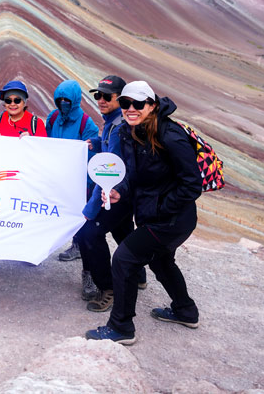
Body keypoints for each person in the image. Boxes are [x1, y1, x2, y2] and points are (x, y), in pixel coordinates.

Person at [85, 81, 202, 345]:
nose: (131, 109)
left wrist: (161, 208)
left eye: (138, 104)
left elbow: (192, 183)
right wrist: (119, 192)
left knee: (125, 259)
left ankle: (121, 327)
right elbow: (131, 176)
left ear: (152, 105)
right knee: (161, 262)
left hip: (172, 219)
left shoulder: (170, 135)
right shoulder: (130, 133)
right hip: (157, 216)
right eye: (126, 104)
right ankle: (186, 311)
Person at [78, 76, 146, 313]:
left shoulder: (118, 127)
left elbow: (108, 174)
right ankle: (138, 275)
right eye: (98, 95)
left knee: (89, 234)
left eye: (107, 96)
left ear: (121, 98)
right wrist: (95, 143)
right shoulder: (114, 122)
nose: (101, 100)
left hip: (117, 194)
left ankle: (109, 288)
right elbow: (110, 149)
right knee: (122, 229)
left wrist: (89, 211)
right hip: (128, 193)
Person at [46, 79, 99, 286]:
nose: (63, 103)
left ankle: (79, 247)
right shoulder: (53, 117)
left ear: (75, 100)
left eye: (67, 100)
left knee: (81, 216)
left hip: (80, 179)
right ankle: (71, 244)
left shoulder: (87, 123)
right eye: (59, 100)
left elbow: (91, 150)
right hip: (59, 176)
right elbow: (47, 141)